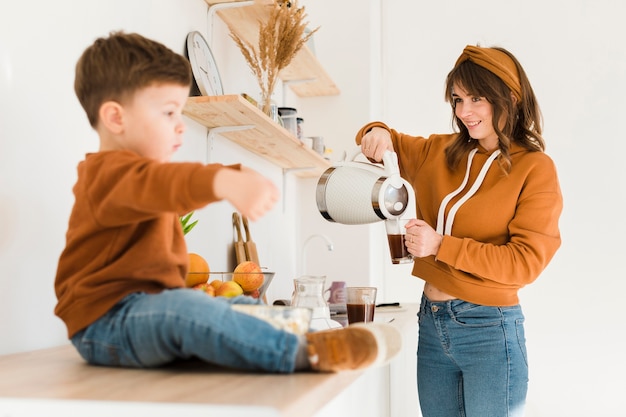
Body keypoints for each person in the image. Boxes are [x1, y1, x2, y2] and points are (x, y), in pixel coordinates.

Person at [54, 31, 401, 374]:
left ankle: (310, 333)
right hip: (106, 323)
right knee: (189, 309)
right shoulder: (108, 175)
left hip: (147, 312)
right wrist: (223, 180)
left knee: (231, 306)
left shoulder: (139, 179)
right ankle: (304, 352)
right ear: (116, 118)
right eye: (169, 113)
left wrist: (230, 175)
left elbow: (164, 185)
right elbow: (166, 183)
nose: (180, 127)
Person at [356, 45, 562, 416]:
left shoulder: (535, 168)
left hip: (489, 329)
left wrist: (440, 245)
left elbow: (525, 263)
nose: (463, 112)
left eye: (477, 99)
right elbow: (389, 140)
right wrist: (376, 133)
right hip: (432, 323)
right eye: (457, 99)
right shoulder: (442, 150)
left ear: (510, 98)